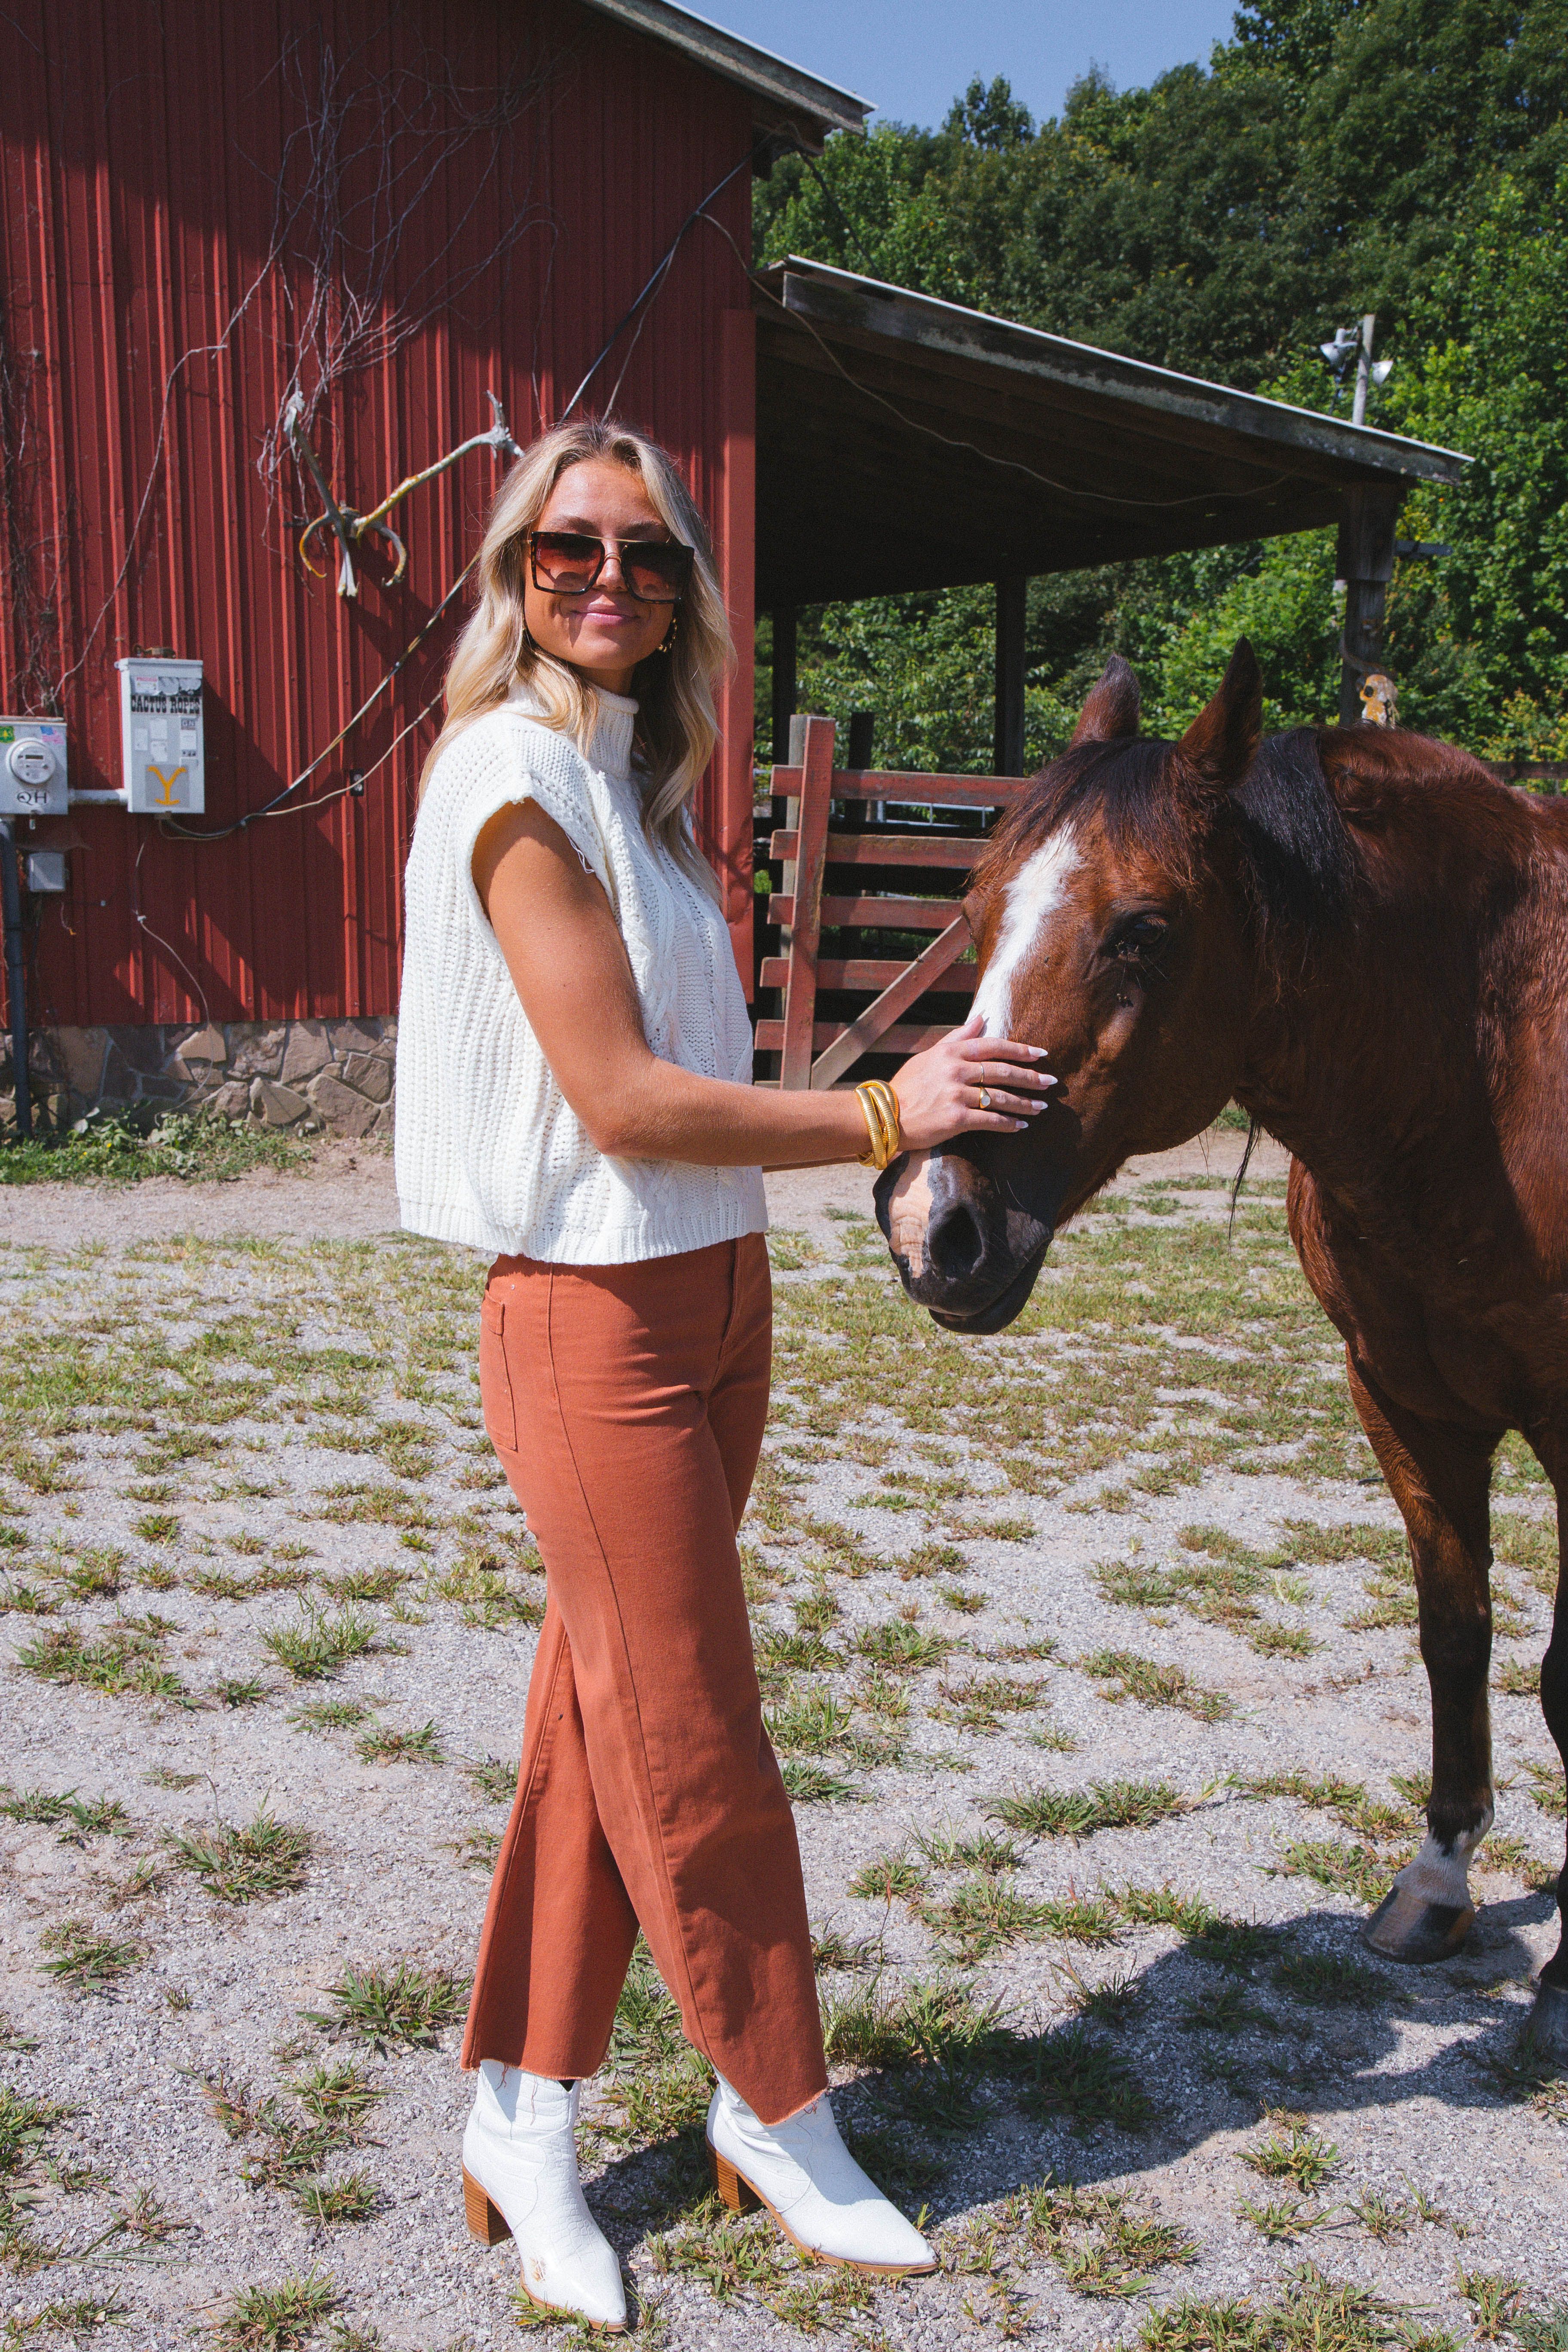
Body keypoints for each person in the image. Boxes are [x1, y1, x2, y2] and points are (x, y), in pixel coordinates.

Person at [394, 416, 1051, 2328]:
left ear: (686, 587)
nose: (609, 578)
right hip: (588, 1313)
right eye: (568, 549)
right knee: (693, 1731)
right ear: (517, 575)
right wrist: (887, 1116)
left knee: (601, 1720)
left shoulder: (648, 786)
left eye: (647, 552)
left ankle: (521, 2107)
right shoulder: (512, 774)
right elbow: (618, 1098)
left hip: (715, 1293)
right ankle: (778, 2106)